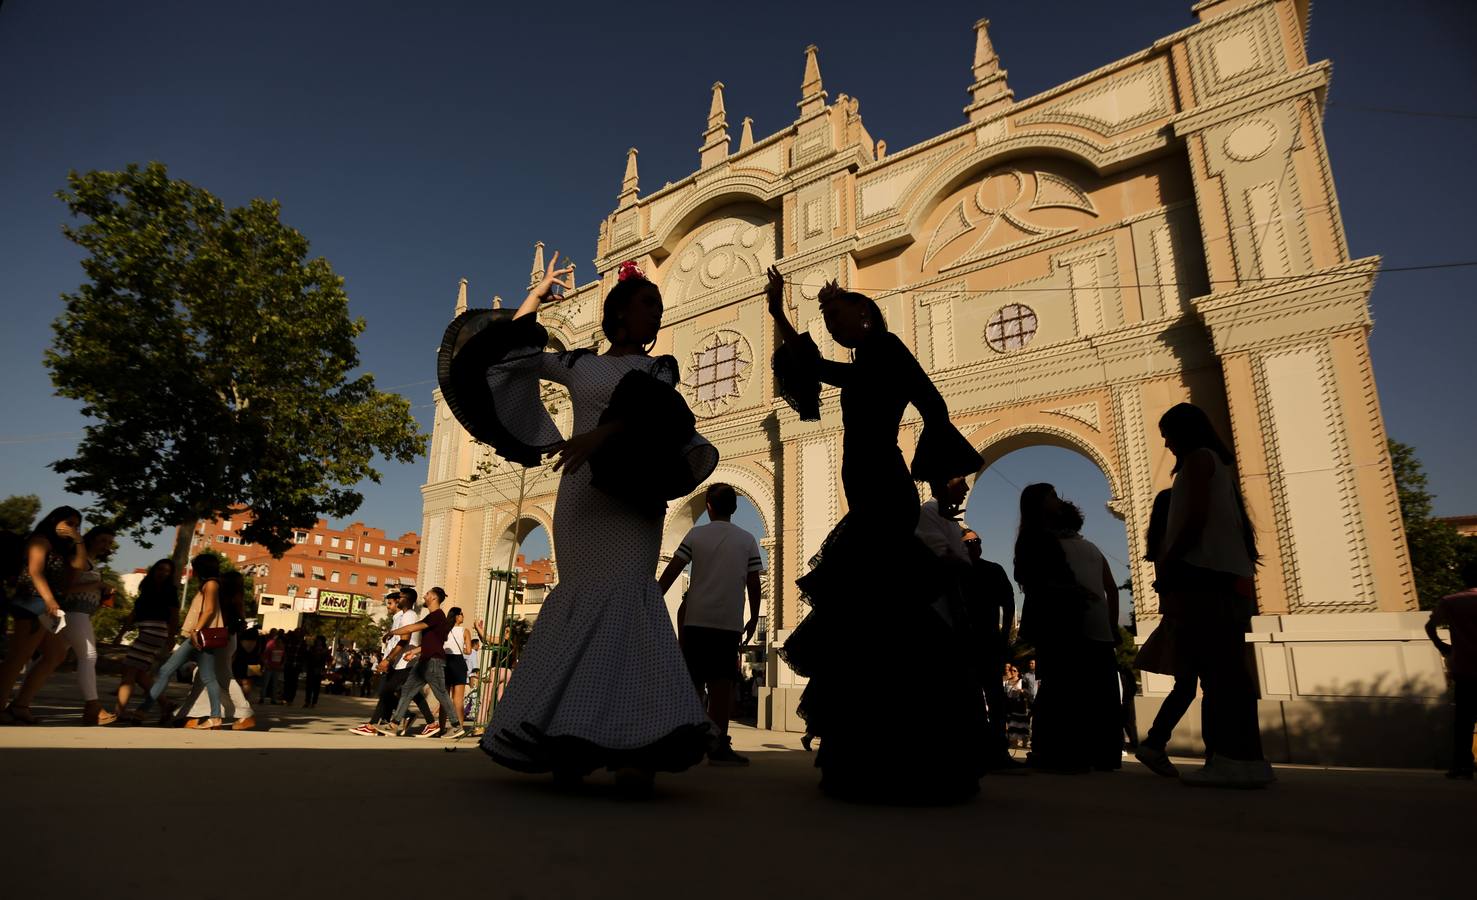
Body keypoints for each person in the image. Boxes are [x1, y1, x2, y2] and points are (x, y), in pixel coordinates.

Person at [451, 254, 717, 788]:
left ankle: (635, 742)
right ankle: (567, 735)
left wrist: (604, 431)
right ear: (619, 314)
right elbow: (511, 354)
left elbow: (664, 415)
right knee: (581, 600)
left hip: (634, 500)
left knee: (629, 601)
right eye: (649, 306)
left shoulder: (658, 368)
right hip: (582, 499)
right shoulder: (579, 365)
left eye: (659, 308)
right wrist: (536, 296)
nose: (657, 316)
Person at [767, 267, 986, 803]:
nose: (831, 323)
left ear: (864, 313)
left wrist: (938, 470)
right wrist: (777, 312)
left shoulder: (886, 348)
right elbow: (816, 366)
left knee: (881, 607)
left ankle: (896, 749)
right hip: (869, 486)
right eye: (826, 317)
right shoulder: (867, 358)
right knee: (873, 609)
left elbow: (932, 402)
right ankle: (881, 746)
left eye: (836, 314)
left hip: (885, 487)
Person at [1156, 402, 1272, 788]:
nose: (1167, 444)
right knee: (1230, 672)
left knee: (1220, 675)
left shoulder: (1199, 461)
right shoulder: (1217, 465)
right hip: (1227, 580)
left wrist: (1171, 562)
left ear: (1185, 432)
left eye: (1169, 435)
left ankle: (1231, 760)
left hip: (1206, 579)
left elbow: (1195, 520)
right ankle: (1247, 759)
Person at [1013, 484, 1122, 773]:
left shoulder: (1042, 540)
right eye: (1051, 495)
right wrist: (1073, 591)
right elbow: (1031, 577)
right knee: (1079, 691)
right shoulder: (1041, 540)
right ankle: (1069, 753)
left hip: (1067, 624)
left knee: (1063, 689)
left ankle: (1061, 752)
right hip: (1060, 624)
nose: (1057, 499)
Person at [657, 482, 763, 766]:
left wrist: (653, 598)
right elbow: (754, 583)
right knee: (721, 687)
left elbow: (673, 569)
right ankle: (718, 745)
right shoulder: (748, 539)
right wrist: (753, 616)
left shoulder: (695, 535)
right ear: (735, 507)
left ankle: (686, 741)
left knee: (692, 683)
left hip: (695, 621)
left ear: (708, 507)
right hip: (728, 624)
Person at [12, 526, 118, 724]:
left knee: (51, 657)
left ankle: (20, 702)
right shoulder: (80, 561)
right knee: (88, 656)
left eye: (110, 542)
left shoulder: (89, 562)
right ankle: (92, 707)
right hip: (72, 612)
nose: (107, 546)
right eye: (103, 540)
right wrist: (97, 585)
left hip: (80, 613)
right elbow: (67, 588)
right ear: (91, 539)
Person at [1133, 489, 1199, 777]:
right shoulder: (1177, 544)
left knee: (1185, 686)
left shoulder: (1162, 544)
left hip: (1179, 618)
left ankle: (1156, 741)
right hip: (1192, 617)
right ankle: (1157, 741)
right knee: (1195, 684)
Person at [0, 506, 85, 723]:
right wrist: (48, 599)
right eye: (69, 522)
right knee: (18, 657)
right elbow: (34, 571)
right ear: (55, 520)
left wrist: (78, 540)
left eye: (76, 524)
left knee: (56, 654)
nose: (72, 527)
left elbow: (80, 566)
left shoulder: (63, 548)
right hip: (32, 602)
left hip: (48, 607)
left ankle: (20, 705)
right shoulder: (40, 540)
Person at [138, 554, 226, 729]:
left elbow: (209, 610)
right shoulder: (210, 585)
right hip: (199, 636)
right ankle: (215, 717)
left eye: (195, 567)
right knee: (206, 677)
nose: (193, 571)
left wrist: (196, 630)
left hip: (198, 636)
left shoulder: (211, 584)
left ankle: (142, 711)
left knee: (166, 670)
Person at [961, 529, 1020, 770]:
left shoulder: (993, 571)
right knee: (968, 698)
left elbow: (1009, 604)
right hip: (964, 645)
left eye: (977, 541)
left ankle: (998, 751)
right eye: (968, 542)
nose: (974, 545)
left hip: (989, 644)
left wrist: (1005, 637)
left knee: (996, 699)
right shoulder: (956, 572)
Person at [377, 586, 465, 739]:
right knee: (407, 690)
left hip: (433, 662)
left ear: (434, 598)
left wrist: (392, 632)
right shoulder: (433, 617)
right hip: (424, 661)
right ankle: (394, 724)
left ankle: (457, 726)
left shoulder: (437, 615)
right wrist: (415, 651)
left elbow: (413, 627)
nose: (424, 596)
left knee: (441, 695)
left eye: (428, 594)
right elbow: (433, 642)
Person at [177, 571, 255, 729]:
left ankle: (242, 713)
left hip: (217, 638)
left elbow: (210, 613)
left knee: (219, 676)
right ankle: (194, 713)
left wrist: (196, 630)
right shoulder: (236, 599)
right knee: (204, 676)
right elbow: (242, 620)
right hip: (226, 638)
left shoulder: (220, 596)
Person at [349, 590, 433, 736]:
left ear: (406, 600)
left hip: (406, 662)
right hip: (401, 662)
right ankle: (427, 721)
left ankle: (373, 725)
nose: (397, 599)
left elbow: (405, 638)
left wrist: (388, 659)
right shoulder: (404, 616)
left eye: (400, 597)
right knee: (412, 694)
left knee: (386, 692)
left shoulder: (409, 615)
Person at [1426, 558, 1477, 780]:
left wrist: (1441, 645)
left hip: (1466, 669)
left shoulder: (1451, 601)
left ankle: (1463, 765)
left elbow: (1430, 625)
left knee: (1464, 720)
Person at [115, 558, 180, 723]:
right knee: (140, 674)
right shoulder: (146, 587)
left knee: (129, 670)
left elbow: (174, 615)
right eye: (160, 569)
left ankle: (119, 712)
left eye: (167, 571)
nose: (163, 573)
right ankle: (166, 704)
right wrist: (120, 633)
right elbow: (134, 612)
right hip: (147, 630)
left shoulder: (170, 591)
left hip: (155, 632)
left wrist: (172, 637)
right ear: (154, 570)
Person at [441, 604, 473, 732]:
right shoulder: (465, 631)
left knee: (444, 697)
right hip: (459, 662)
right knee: (458, 699)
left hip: (445, 662)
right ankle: (459, 727)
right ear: (456, 616)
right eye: (461, 614)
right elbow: (469, 651)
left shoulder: (444, 630)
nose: (463, 616)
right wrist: (462, 648)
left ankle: (441, 727)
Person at [1002, 663, 1033, 749]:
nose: (1012, 672)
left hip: (1020, 706)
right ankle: (1014, 743)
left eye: (1014, 671)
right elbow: (1005, 694)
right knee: (1012, 726)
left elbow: (1028, 693)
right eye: (1011, 670)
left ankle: (1024, 742)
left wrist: (1022, 691)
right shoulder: (1007, 681)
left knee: (1022, 725)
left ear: (1018, 672)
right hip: (1010, 706)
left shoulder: (1022, 681)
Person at [260, 629, 285, 704]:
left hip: (277, 668)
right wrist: (266, 664)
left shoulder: (282, 647)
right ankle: (262, 698)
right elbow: (264, 655)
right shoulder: (270, 644)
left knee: (275, 684)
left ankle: (273, 699)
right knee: (265, 683)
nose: (279, 643)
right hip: (269, 668)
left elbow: (284, 657)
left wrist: (282, 665)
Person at [303, 636, 328, 708]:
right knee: (309, 686)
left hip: (319, 670)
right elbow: (307, 657)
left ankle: (314, 702)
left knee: (316, 687)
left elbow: (325, 660)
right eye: (317, 640)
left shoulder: (324, 650)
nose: (318, 642)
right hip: (311, 669)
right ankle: (307, 701)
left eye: (320, 640)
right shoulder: (311, 648)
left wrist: (324, 669)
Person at [282, 630, 303, 704]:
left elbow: (303, 656)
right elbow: (285, 652)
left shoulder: (302, 643)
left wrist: (301, 666)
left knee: (293, 683)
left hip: (296, 665)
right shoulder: (289, 642)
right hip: (288, 664)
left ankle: (290, 698)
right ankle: (285, 697)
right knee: (287, 682)